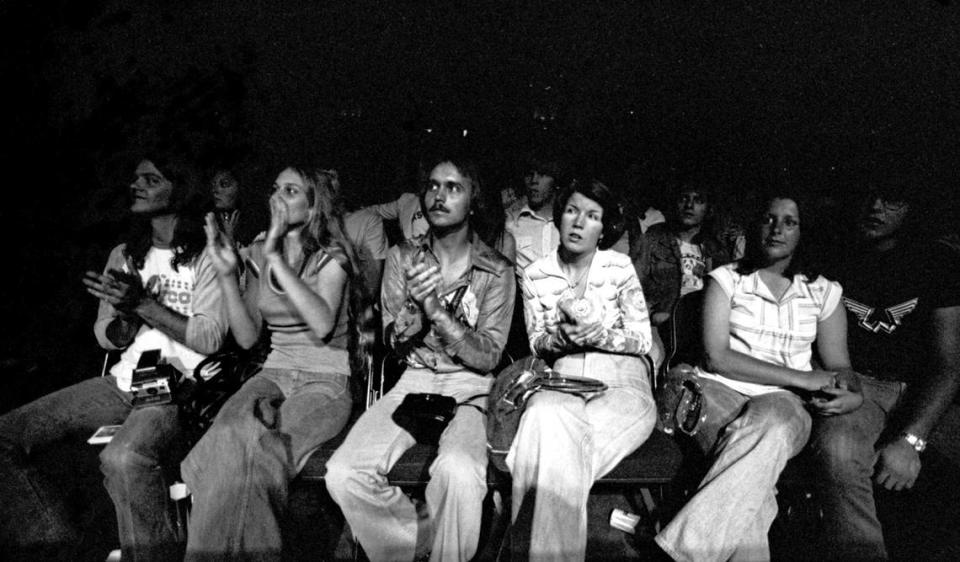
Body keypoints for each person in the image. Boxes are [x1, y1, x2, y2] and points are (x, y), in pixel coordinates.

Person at [0, 147, 227, 561]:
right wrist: (124, 316)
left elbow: (210, 340)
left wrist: (144, 305)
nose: (136, 185)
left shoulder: (210, 256)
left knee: (123, 456)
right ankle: (54, 540)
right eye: (136, 178)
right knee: (6, 434)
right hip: (126, 380)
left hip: (181, 385)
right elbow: (109, 337)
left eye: (151, 179)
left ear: (181, 189)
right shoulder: (125, 254)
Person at [324, 155, 515, 562]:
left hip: (471, 388)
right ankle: (419, 541)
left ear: (473, 200)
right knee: (343, 474)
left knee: (458, 473)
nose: (438, 196)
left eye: (453, 187)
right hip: (415, 379)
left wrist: (437, 310)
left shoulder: (496, 269)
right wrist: (412, 313)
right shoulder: (402, 257)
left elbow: (488, 356)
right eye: (431, 186)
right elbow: (394, 343)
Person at [654, 192, 862, 561]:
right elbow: (717, 358)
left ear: (803, 231)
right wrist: (801, 378)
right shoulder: (727, 279)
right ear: (755, 225)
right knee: (755, 487)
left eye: (789, 221)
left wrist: (852, 392)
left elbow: (839, 364)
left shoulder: (823, 292)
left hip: (781, 403)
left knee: (772, 430)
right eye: (768, 219)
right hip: (715, 392)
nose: (776, 229)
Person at [180, 164, 362, 559]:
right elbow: (247, 335)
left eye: (291, 191)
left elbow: (322, 321)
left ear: (313, 209)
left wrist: (277, 256)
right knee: (226, 439)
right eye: (275, 188)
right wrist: (230, 275)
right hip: (275, 371)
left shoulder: (334, 254)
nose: (277, 197)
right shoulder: (260, 249)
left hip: (326, 379)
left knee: (265, 452)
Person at [809, 184, 960, 560]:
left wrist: (911, 441)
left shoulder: (938, 261)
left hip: (926, 392)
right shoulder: (831, 258)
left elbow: (949, 365)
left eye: (892, 199)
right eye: (869, 195)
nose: (875, 206)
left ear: (912, 208)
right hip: (861, 385)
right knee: (837, 449)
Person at [510, 178, 657, 560]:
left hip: (622, 381)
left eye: (592, 216)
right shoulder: (536, 274)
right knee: (543, 414)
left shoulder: (619, 266)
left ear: (603, 227)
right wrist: (563, 340)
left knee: (547, 458)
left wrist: (600, 335)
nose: (579, 223)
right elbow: (537, 343)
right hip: (562, 379)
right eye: (572, 211)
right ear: (559, 218)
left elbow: (642, 339)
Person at [632, 182, 738, 370]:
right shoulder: (653, 239)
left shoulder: (715, 248)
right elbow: (630, 289)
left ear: (707, 208)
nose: (690, 206)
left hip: (701, 330)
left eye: (698, 200)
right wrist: (652, 314)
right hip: (661, 329)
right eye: (684, 199)